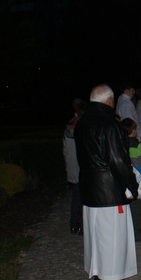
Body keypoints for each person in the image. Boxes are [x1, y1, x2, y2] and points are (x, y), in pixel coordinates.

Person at [75, 84, 139, 280]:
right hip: (109, 192)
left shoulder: (82, 123)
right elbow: (118, 161)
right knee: (111, 241)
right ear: (110, 101)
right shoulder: (109, 125)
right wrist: (131, 185)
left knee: (98, 240)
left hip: (91, 191)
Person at [121, 118, 141, 242]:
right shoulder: (137, 145)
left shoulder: (119, 143)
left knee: (127, 205)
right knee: (137, 206)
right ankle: (136, 232)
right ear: (133, 131)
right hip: (138, 179)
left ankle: (126, 231)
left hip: (125, 176)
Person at [63, 98, 86, 235]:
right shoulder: (82, 128)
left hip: (74, 168)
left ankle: (74, 225)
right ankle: (83, 226)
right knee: (84, 198)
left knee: (77, 197)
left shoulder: (69, 127)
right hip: (82, 167)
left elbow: (66, 151)